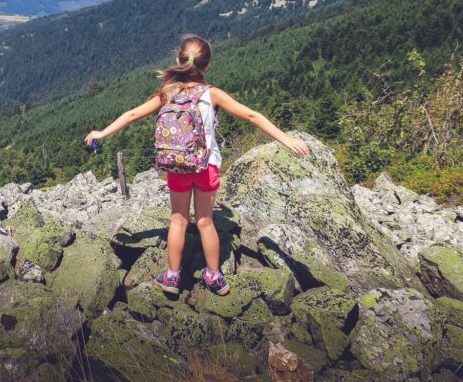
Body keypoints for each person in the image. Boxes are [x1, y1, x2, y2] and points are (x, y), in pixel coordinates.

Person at [84, 35, 309, 296]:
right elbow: (251, 115)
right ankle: (214, 276)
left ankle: (171, 277)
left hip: (176, 166)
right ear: (207, 66)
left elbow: (132, 114)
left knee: (178, 221)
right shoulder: (212, 94)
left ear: (178, 60)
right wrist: (286, 139)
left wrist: (101, 133)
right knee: (204, 221)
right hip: (206, 167)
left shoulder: (167, 93)